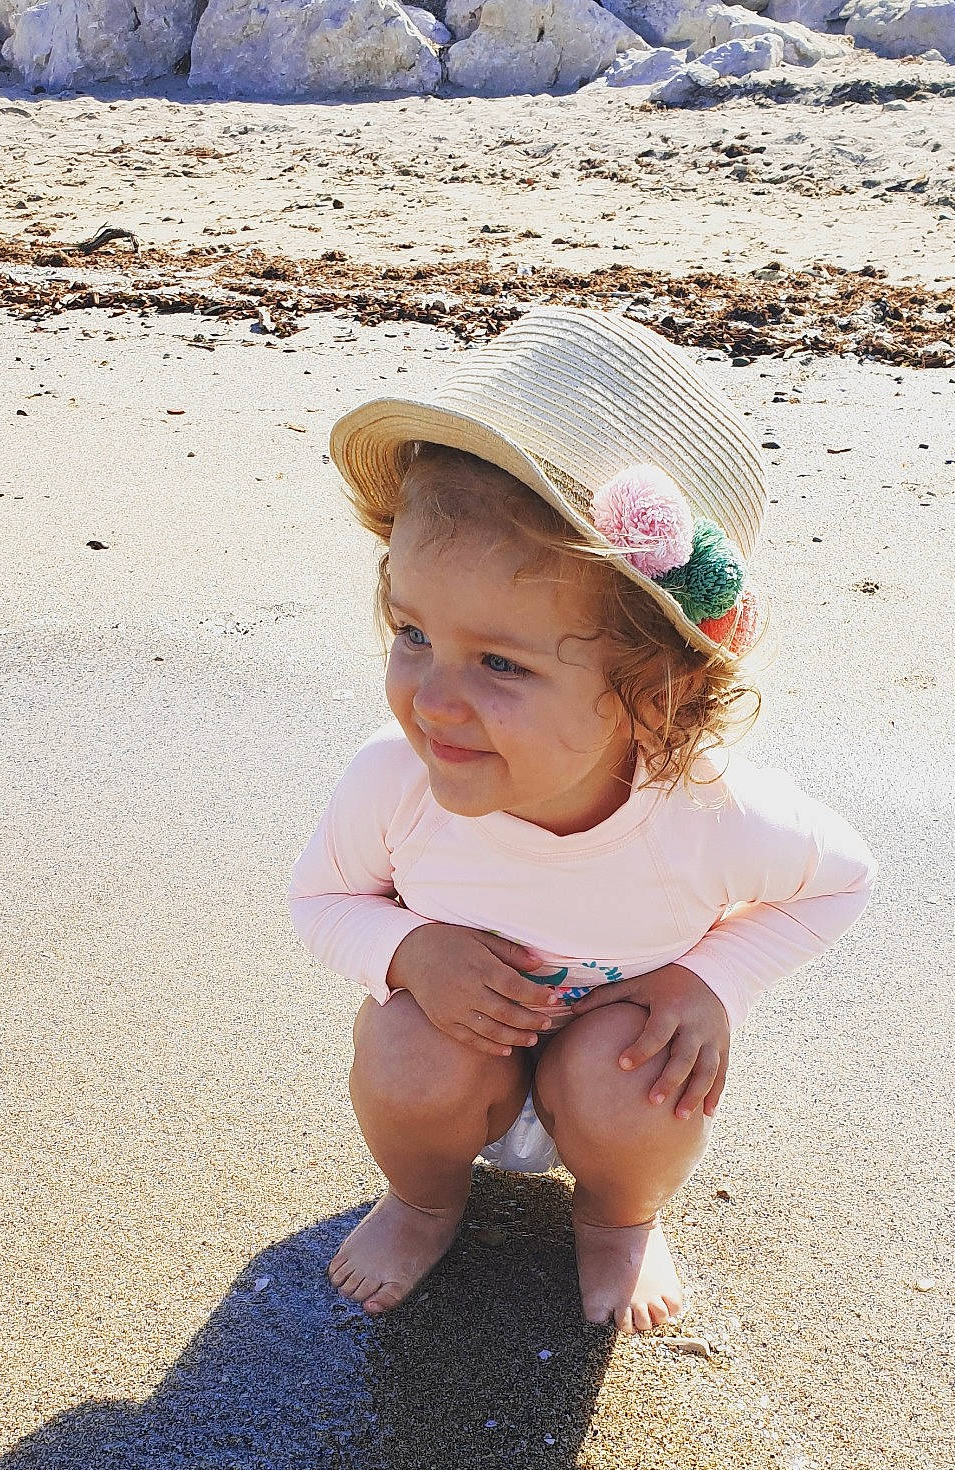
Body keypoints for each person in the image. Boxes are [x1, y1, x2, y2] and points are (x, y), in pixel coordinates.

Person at [290, 307, 876, 1334]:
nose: (433, 697)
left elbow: (843, 879)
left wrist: (708, 978)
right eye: (412, 632)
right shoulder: (394, 782)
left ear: (653, 693)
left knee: (644, 1086)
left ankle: (618, 1217)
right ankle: (424, 1199)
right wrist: (410, 951)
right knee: (403, 1052)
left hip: (613, 1056)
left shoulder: (710, 812)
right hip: (455, 1049)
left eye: (501, 663)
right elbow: (321, 900)